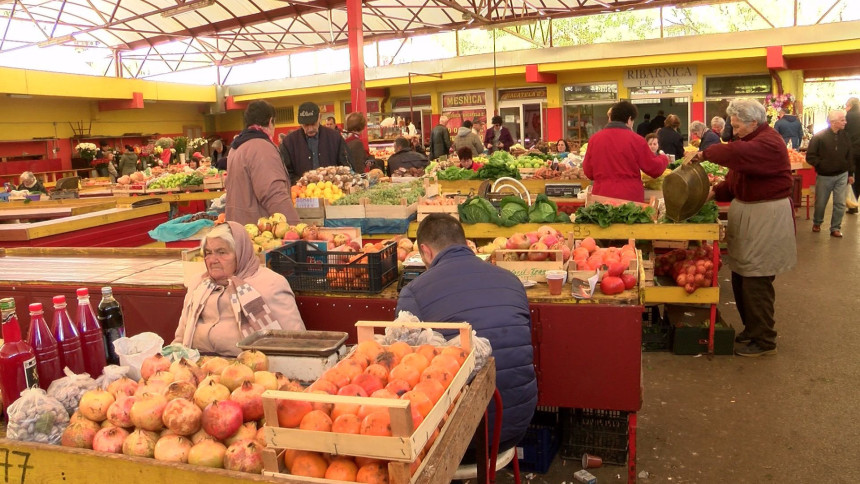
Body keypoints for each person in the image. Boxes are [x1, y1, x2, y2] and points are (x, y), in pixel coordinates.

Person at [395, 213, 537, 457]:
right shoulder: (512, 281)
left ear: (426, 252)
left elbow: (404, 368)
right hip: (516, 424)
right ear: (466, 243)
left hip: (458, 438)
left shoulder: (414, 293)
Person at [692, 98, 796, 357]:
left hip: (765, 215)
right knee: (741, 274)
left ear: (754, 122)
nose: (734, 132)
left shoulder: (768, 142)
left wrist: (705, 153)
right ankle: (752, 329)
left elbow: (735, 154)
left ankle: (765, 340)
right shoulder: (750, 141)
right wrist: (715, 192)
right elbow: (736, 177)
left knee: (756, 277)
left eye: (737, 126)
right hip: (750, 212)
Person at [174, 222, 305, 356]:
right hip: (198, 367)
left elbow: (296, 344)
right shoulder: (199, 284)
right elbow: (180, 339)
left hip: (251, 370)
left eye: (222, 252)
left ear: (240, 252)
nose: (212, 260)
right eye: (208, 253)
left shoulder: (271, 284)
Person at [226, 100, 300, 225]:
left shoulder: (236, 148)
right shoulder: (261, 148)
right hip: (260, 231)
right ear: (271, 121)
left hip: (239, 228)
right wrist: (296, 228)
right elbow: (273, 194)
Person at [583, 100, 668, 202]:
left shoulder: (594, 139)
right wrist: (664, 158)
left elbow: (588, 172)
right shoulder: (637, 140)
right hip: (629, 199)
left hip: (601, 197)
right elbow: (654, 169)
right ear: (629, 119)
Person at [806, 110, 853, 237]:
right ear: (833, 122)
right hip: (824, 176)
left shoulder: (846, 136)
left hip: (842, 175)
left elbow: (849, 155)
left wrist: (850, 173)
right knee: (821, 202)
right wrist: (822, 165)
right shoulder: (819, 137)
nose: (845, 122)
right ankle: (817, 222)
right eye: (842, 120)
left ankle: (835, 228)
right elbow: (810, 157)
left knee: (840, 203)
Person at [280, 101, 351, 182]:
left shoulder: (335, 138)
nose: (310, 129)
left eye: (313, 124)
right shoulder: (289, 142)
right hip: (301, 192)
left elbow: (346, 167)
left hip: (332, 191)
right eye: (306, 125)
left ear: (320, 117)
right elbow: (285, 172)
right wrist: (302, 183)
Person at [845, 97, 860, 210]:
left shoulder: (848, 116)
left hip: (851, 150)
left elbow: (843, 132)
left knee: (849, 175)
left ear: (849, 105)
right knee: (859, 176)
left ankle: (851, 203)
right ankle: (855, 201)